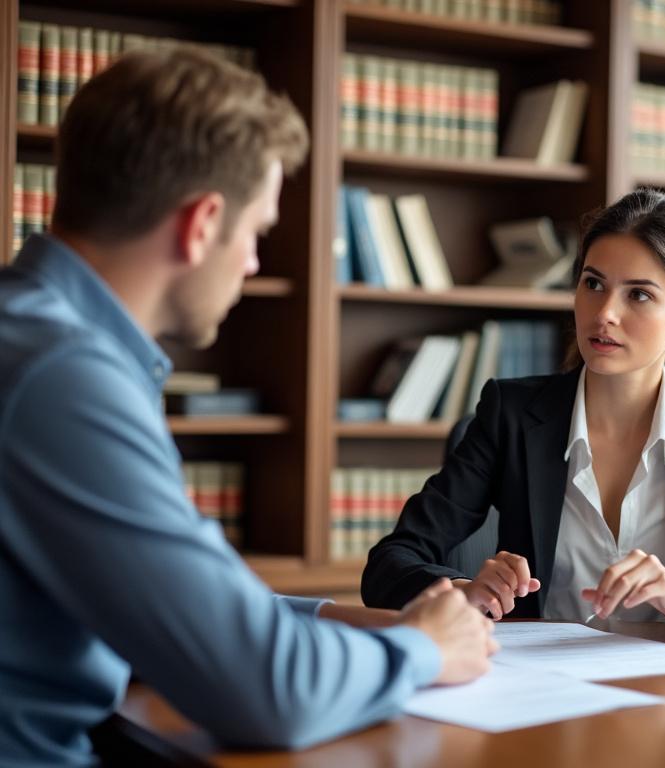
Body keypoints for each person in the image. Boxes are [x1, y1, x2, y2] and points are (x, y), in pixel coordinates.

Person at [0, 48, 495, 766]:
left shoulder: (33, 334)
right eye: (257, 231)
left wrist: (344, 619)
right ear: (201, 224)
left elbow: (164, 597)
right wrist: (422, 649)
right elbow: (266, 693)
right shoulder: (63, 377)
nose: (256, 262)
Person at [362, 189, 665, 639]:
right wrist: (462, 592)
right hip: (539, 680)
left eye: (638, 295)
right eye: (593, 284)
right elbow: (390, 564)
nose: (605, 314)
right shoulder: (511, 414)